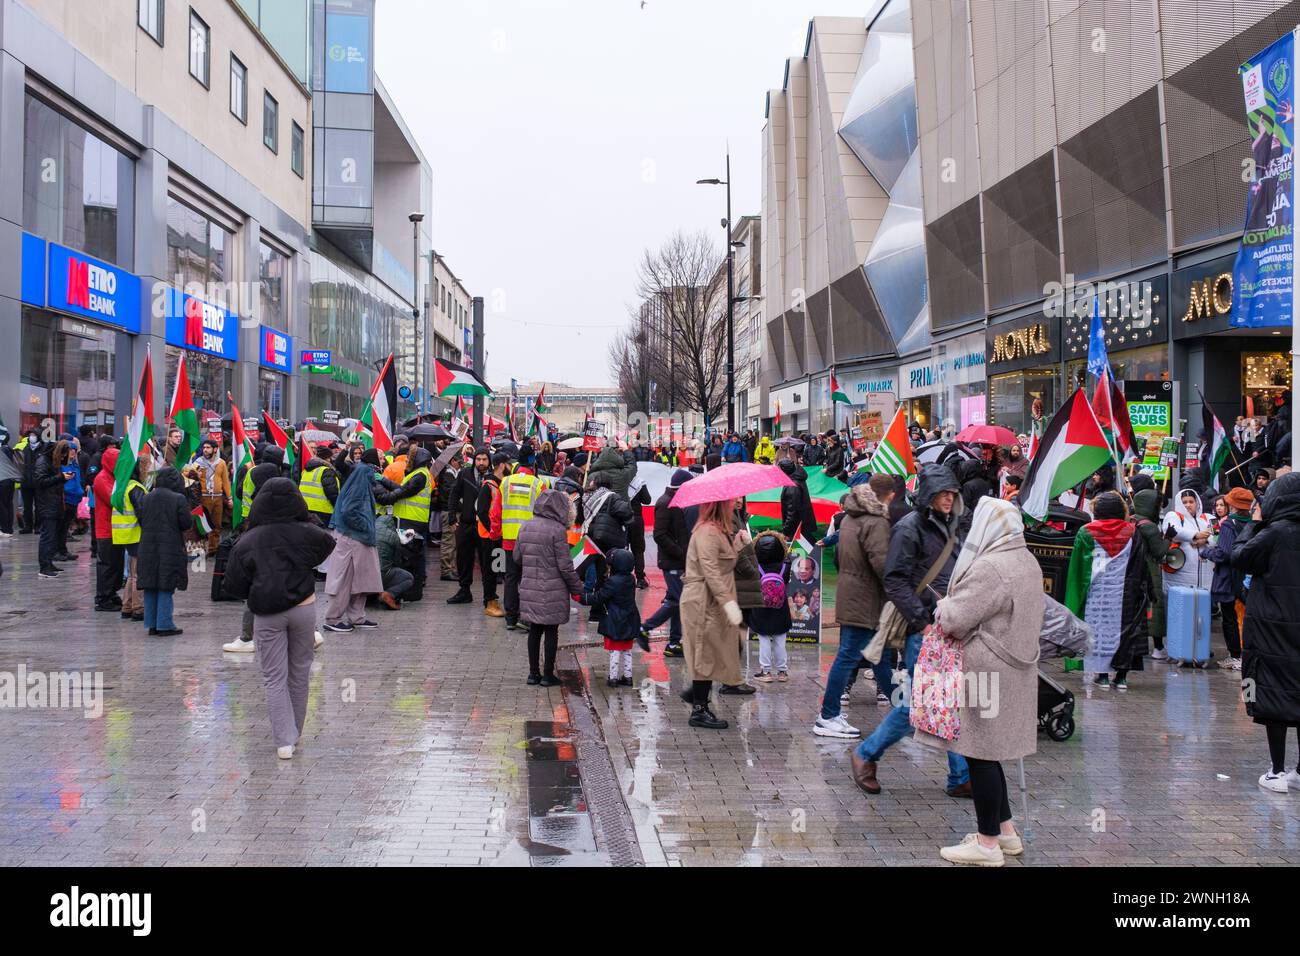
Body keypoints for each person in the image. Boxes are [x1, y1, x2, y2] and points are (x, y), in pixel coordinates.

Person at [925, 497, 1043, 866]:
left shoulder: (991, 566)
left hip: (985, 670)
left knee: (979, 754)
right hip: (1015, 668)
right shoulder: (1027, 560)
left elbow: (955, 618)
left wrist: (943, 604)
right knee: (992, 754)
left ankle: (987, 844)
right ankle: (1006, 833)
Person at [851, 464, 970, 798]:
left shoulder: (954, 524)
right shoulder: (910, 527)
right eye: (943, 493)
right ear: (930, 495)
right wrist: (922, 620)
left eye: (952, 493)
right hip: (927, 627)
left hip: (949, 624)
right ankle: (865, 754)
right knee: (920, 705)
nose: (948, 499)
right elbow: (895, 579)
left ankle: (960, 775)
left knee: (950, 700)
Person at [223, 477, 336, 759]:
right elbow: (327, 542)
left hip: (267, 614)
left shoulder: (248, 540)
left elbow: (234, 585)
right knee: (300, 673)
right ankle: (295, 733)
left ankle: (283, 741)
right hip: (304, 609)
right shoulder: (308, 533)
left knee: (274, 677)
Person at [1229, 472, 1300, 791]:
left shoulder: (1273, 532)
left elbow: (1240, 557)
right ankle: (1299, 772)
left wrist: (1253, 522)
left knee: (1270, 695)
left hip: (1270, 630)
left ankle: (1276, 770)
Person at [815, 474, 893, 738]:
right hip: (866, 598)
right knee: (849, 655)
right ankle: (827, 715)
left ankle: (903, 711)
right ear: (886, 495)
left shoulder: (849, 517)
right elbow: (882, 564)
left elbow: (839, 556)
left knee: (878, 657)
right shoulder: (876, 521)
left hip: (852, 593)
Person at [1065, 492, 1150, 691]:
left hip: (1095, 594)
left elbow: (1077, 568)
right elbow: (1140, 565)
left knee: (1098, 632)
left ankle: (1102, 676)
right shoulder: (1133, 531)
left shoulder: (1086, 532)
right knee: (1124, 633)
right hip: (1125, 595)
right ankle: (1121, 678)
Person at [678, 497, 746, 730]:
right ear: (719, 506)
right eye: (729, 503)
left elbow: (722, 563)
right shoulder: (707, 532)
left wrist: (736, 545)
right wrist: (729, 604)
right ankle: (699, 708)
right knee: (705, 650)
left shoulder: (717, 531)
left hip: (710, 601)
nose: (735, 505)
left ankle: (696, 694)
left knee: (711, 650)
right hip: (702, 602)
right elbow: (711, 571)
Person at [515, 488, 586, 686]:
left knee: (534, 630)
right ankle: (547, 675)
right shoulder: (557, 531)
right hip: (553, 589)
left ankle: (532, 674)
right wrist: (577, 588)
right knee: (551, 631)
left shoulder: (525, 526)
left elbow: (516, 557)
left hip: (530, 587)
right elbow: (565, 566)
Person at [321, 451, 388, 632]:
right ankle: (333, 619)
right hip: (353, 537)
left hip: (356, 537)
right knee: (344, 579)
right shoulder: (364, 473)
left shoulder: (361, 471)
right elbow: (350, 509)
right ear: (374, 461)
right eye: (381, 458)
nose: (384, 460)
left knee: (362, 579)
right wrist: (365, 526)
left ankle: (357, 617)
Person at [135, 466, 192, 636]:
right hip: (170, 546)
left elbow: (141, 519)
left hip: (147, 546)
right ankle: (164, 624)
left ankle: (152, 624)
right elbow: (186, 523)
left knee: (151, 584)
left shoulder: (146, 498)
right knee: (166, 584)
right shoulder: (178, 499)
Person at [642, 469, 694, 657]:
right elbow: (659, 534)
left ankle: (674, 643)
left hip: (678, 561)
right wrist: (680, 552)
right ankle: (645, 628)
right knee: (678, 601)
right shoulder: (666, 503)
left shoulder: (676, 503)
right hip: (672, 562)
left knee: (675, 600)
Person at [1203, 487, 1255, 670]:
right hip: (1247, 577)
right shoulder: (1252, 522)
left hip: (1228, 577)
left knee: (1229, 618)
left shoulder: (1228, 524)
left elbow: (1224, 553)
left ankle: (1235, 656)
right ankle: (1245, 654)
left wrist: (1206, 552)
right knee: (1244, 617)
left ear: (1232, 504)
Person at [500, 463, 547, 629]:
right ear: (533, 467)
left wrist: (495, 533)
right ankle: (526, 618)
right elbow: (544, 511)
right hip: (531, 538)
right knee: (529, 578)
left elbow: (496, 511)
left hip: (509, 537)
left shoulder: (505, 482)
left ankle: (511, 618)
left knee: (511, 577)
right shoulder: (538, 484)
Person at [585, 548, 641, 687]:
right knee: (627, 650)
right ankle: (628, 677)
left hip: (615, 620)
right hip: (629, 618)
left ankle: (613, 677)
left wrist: (584, 598)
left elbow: (600, 596)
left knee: (614, 650)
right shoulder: (631, 578)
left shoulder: (612, 582)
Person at [745, 531, 793, 683]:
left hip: (761, 605)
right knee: (780, 638)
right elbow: (785, 582)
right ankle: (782, 671)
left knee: (763, 638)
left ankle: (765, 672)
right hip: (780, 606)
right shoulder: (786, 564)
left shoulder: (755, 565)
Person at [1131, 487, 1171, 659]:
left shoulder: (1131, 520)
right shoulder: (1150, 527)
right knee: (1156, 606)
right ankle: (1158, 647)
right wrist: (1168, 538)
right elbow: (1159, 552)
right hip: (1150, 569)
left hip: (1132, 568)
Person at [447, 448, 490, 605]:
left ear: (489, 461)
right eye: (478, 459)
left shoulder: (493, 477)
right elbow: (454, 494)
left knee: (487, 561)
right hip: (467, 523)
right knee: (464, 558)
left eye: (484, 459)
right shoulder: (465, 474)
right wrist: (452, 517)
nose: (481, 463)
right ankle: (464, 591)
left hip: (485, 526)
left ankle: (489, 595)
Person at [1161, 488, 1213, 602]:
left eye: (1191, 501)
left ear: (1197, 502)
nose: (1188, 505)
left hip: (1205, 579)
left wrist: (1205, 540)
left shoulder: (1207, 518)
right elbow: (1172, 530)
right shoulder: (1173, 515)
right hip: (1179, 579)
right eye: (1184, 502)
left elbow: (1219, 537)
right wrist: (1196, 535)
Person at [476, 452, 509, 618]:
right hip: (488, 537)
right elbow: (481, 511)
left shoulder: (500, 484)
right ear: (502, 465)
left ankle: (495, 599)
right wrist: (492, 531)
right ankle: (489, 601)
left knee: (498, 569)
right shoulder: (488, 485)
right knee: (489, 571)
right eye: (508, 464)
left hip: (497, 535)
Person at [33, 439, 73, 577]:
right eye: (63, 455)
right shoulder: (43, 461)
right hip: (47, 505)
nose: (63, 458)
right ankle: (44, 567)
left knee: (52, 536)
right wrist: (60, 477)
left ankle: (48, 563)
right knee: (47, 536)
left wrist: (61, 477)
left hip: (53, 504)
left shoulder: (50, 461)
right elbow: (40, 481)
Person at [92, 446, 123, 611]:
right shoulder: (102, 478)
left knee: (116, 564)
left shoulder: (113, 477)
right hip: (105, 529)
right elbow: (114, 499)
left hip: (116, 528)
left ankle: (111, 593)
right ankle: (103, 597)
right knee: (107, 565)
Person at [192, 438, 233, 555]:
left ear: (215, 449)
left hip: (218, 497)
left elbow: (225, 481)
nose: (205, 450)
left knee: (216, 524)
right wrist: (194, 474)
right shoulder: (198, 462)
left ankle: (213, 550)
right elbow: (187, 474)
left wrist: (229, 498)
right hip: (204, 497)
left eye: (208, 448)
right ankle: (201, 549)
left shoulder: (221, 463)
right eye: (204, 448)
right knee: (203, 525)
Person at [375, 514, 415, 609]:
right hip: (382, 575)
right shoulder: (393, 536)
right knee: (408, 578)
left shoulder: (367, 531)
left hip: (364, 576)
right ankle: (389, 594)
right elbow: (397, 561)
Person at [777, 458, 819, 543]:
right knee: (809, 542)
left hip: (797, 525)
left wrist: (786, 531)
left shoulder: (792, 486)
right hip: (802, 520)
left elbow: (792, 511)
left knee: (806, 546)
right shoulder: (797, 476)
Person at [298, 442, 340, 524]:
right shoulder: (326, 471)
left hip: (305, 509)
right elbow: (332, 493)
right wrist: (338, 507)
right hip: (323, 511)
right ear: (327, 458)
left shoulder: (306, 470)